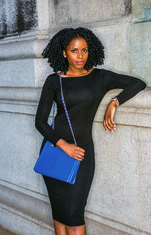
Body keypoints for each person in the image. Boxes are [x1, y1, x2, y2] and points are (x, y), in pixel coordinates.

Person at [35, 27, 146, 235]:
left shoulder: (100, 77)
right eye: (75, 51)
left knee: (74, 215)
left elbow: (138, 83)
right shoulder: (54, 81)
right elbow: (40, 122)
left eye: (84, 50)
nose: (80, 56)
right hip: (55, 148)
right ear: (64, 52)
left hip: (82, 153)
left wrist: (115, 102)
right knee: (59, 213)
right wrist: (64, 145)